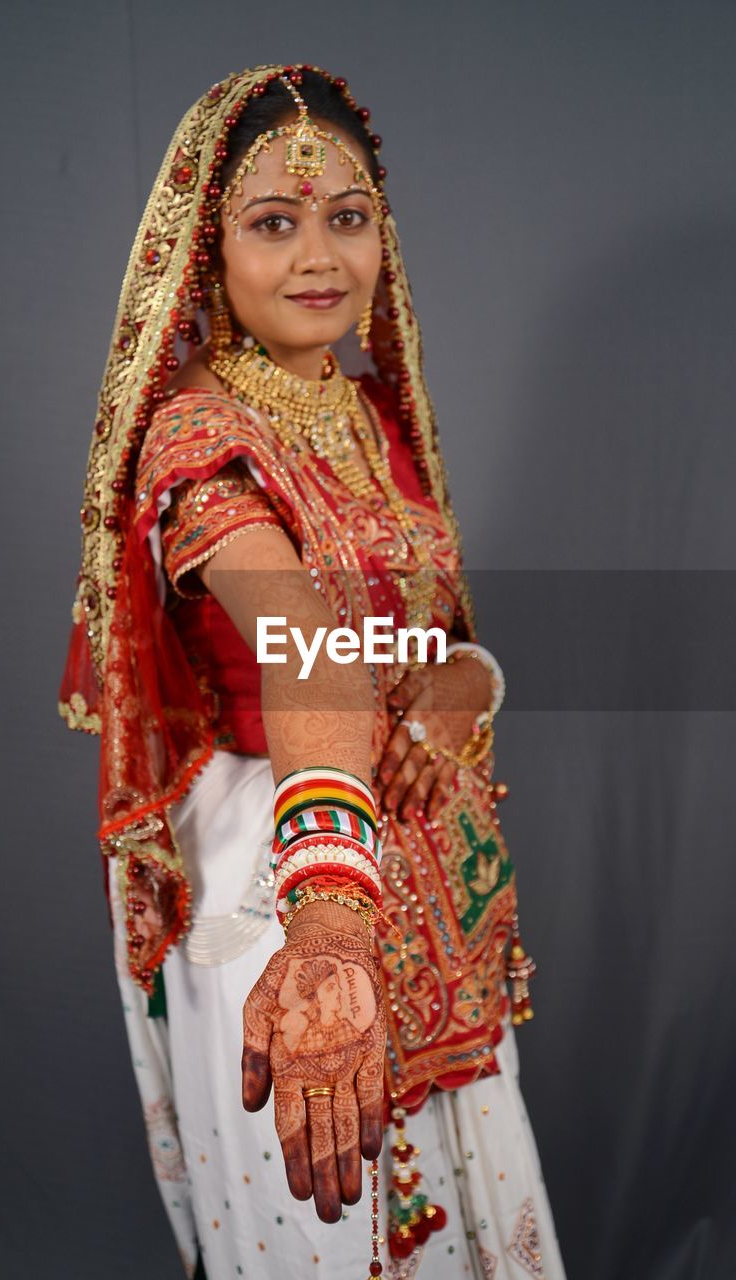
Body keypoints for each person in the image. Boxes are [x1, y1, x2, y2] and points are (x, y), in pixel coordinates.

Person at [60, 63, 567, 1280]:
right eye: (273, 222)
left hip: (424, 883)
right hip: (277, 883)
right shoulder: (199, 438)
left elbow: (426, 638)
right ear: (207, 248)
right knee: (326, 1225)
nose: (317, 257)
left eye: (346, 216)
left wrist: (465, 685)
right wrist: (329, 923)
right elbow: (309, 656)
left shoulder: (372, 411)